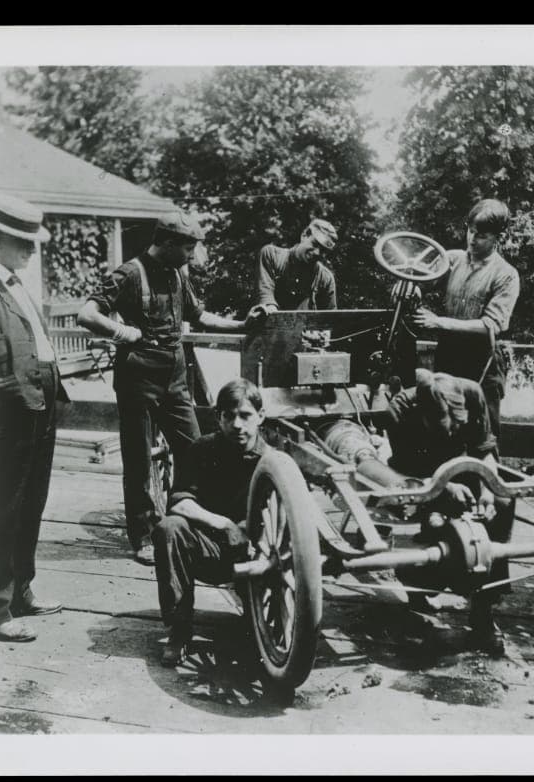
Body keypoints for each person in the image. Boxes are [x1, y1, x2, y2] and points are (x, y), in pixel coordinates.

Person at [77, 211, 253, 565]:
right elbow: (87, 314)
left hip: (174, 377)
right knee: (139, 459)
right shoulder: (129, 273)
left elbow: (199, 316)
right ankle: (143, 536)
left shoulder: (177, 274)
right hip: (138, 378)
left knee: (196, 449)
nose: (192, 256)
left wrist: (242, 324)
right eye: (188, 248)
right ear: (168, 243)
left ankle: (193, 521)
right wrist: (122, 332)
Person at [383, 368, 515, 656]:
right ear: (425, 418)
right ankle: (416, 582)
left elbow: (485, 450)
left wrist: (488, 490)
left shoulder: (472, 392)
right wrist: (445, 487)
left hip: (464, 466)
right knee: (439, 529)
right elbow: (407, 469)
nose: (454, 431)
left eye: (459, 425)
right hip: (421, 478)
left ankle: (483, 611)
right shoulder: (399, 412)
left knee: (503, 503)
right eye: (447, 428)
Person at [0, 194, 67, 642]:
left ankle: (21, 590)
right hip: (5, 414)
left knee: (32, 504)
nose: (31, 252)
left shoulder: (15, 283)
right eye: (22, 243)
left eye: (33, 244)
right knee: (2, 509)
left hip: (40, 406)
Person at [151, 378, 266, 666]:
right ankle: (180, 630)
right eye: (229, 416)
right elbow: (179, 502)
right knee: (169, 529)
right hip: (208, 548)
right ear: (218, 417)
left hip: (257, 556)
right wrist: (223, 524)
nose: (237, 425)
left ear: (261, 417)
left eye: (245, 416)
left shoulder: (273, 460)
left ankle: (258, 626)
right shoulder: (203, 449)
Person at [408, 199, 519, 441]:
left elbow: (490, 325)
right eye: (470, 231)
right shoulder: (452, 260)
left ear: (499, 237)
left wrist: (439, 322)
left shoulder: (506, 275)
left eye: (481, 235)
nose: (472, 239)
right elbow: (420, 281)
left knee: (483, 435)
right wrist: (413, 287)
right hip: (448, 356)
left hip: (482, 361)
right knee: (443, 427)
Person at [251, 219, 339, 317]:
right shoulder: (272, 256)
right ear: (304, 235)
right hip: (269, 323)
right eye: (314, 244)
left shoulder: (325, 279)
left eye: (323, 250)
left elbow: (330, 318)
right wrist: (274, 314)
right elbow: (266, 298)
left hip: (303, 326)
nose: (317, 253)